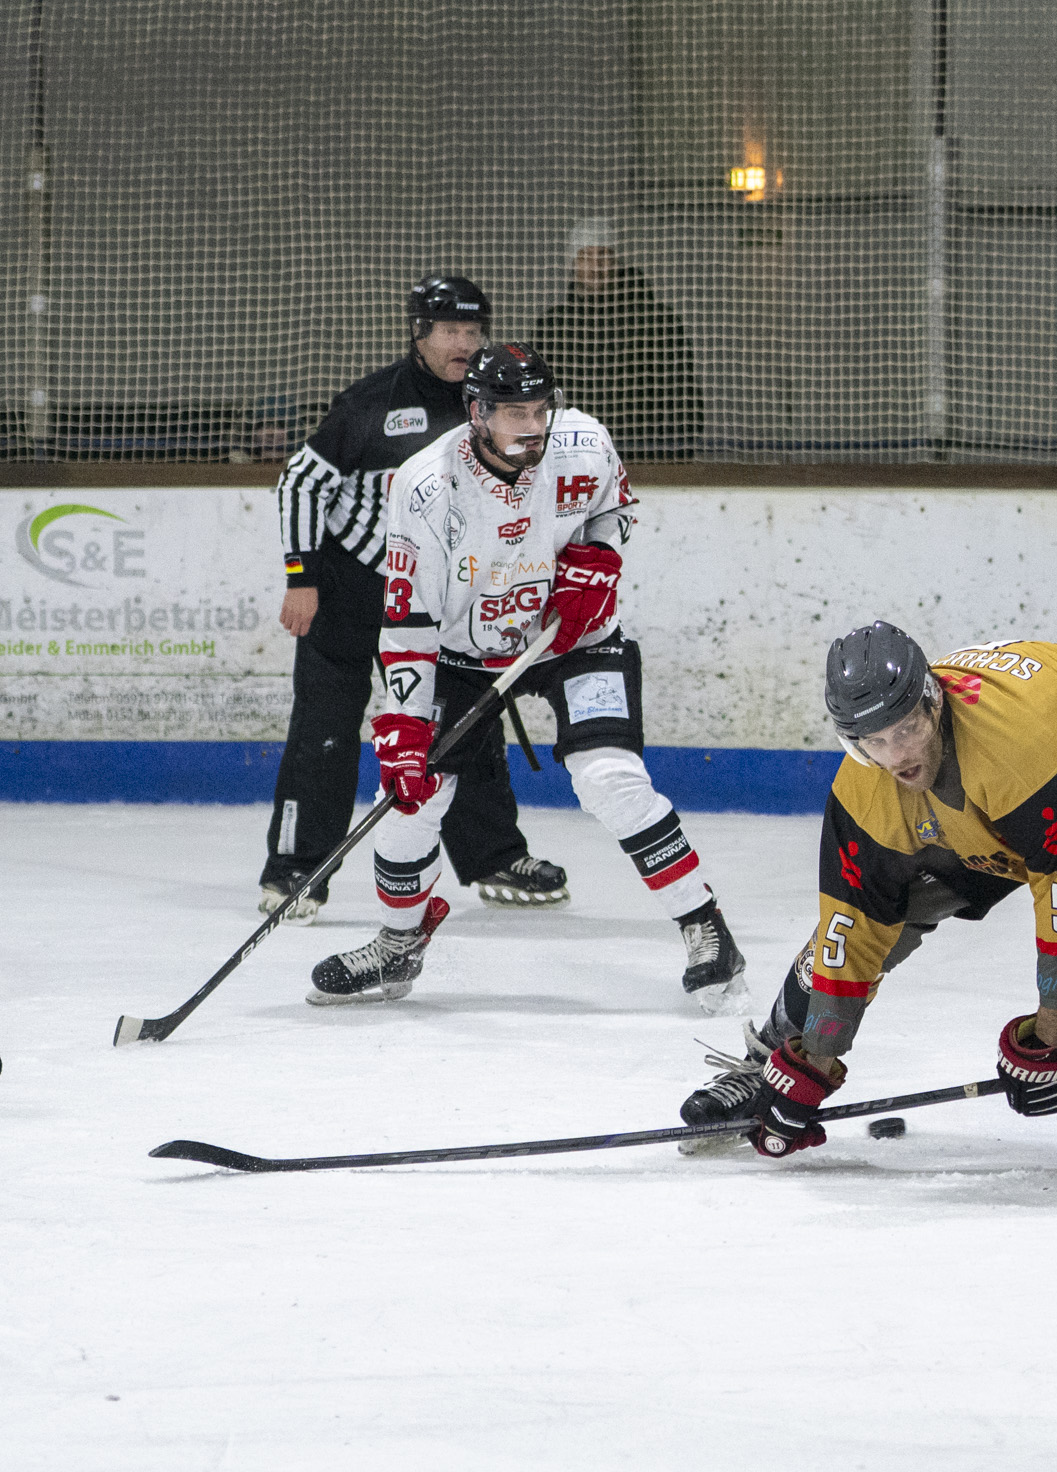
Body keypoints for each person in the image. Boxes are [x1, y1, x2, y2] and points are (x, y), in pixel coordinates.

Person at [307, 344, 748, 1010]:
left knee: (610, 780)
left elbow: (615, 508)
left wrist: (598, 557)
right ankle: (399, 944)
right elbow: (408, 615)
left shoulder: (583, 443)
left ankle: (704, 927)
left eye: (541, 406)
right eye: (515, 410)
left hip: (575, 642)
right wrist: (401, 726)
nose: (534, 422)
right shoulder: (426, 486)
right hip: (461, 657)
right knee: (409, 803)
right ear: (477, 412)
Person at [681, 624, 1057, 1155]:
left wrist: (1049, 1038)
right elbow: (852, 930)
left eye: (906, 729)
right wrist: (809, 1063)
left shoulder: (1014, 744)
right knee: (876, 917)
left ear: (933, 701)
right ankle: (761, 1063)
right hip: (1003, 796)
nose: (897, 756)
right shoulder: (868, 785)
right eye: (875, 742)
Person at [261, 275, 559, 922]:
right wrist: (300, 575)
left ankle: (494, 855)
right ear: (419, 333)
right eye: (449, 331)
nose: (463, 344)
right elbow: (300, 484)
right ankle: (295, 867)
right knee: (327, 728)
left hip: (440, 593)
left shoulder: (496, 401)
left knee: (463, 723)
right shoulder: (372, 404)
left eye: (473, 331)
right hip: (351, 585)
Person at [533, 219, 701, 461]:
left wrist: (675, 458)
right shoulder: (553, 326)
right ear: (572, 263)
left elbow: (683, 397)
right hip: (575, 457)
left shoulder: (656, 322)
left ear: (617, 261)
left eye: (603, 255)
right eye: (585, 256)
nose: (595, 266)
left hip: (645, 457)